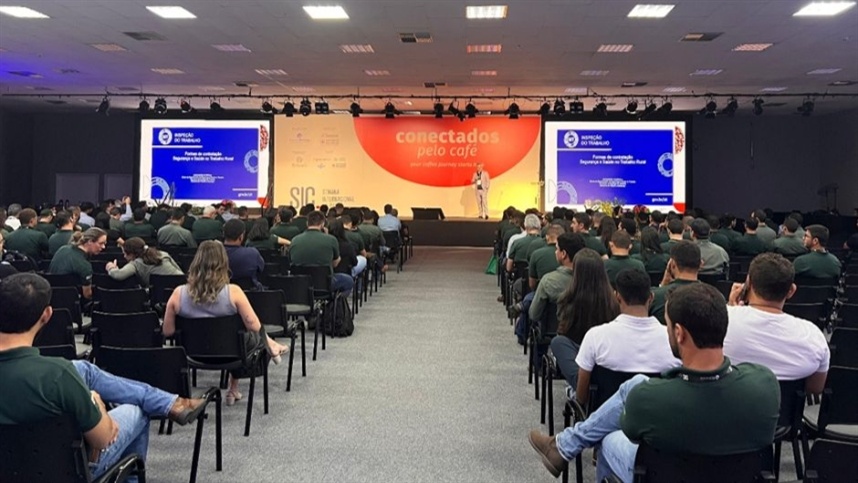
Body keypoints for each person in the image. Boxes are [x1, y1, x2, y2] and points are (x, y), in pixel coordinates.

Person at [528, 283, 780, 481]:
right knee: (635, 384)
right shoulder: (765, 384)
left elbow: (631, 429)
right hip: (737, 475)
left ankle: (564, 446)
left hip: (667, 475)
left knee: (608, 435)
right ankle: (562, 446)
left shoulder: (650, 399)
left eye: (668, 325)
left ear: (679, 333)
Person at [0, 273, 206, 483]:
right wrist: (96, 404)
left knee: (84, 369)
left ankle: (169, 402)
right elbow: (103, 438)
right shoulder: (58, 375)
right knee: (136, 410)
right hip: (64, 472)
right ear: (46, 315)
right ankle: (166, 404)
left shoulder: (60, 373)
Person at [162, 241, 288, 405]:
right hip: (232, 354)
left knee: (238, 337)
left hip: (192, 355)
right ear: (223, 263)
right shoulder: (234, 292)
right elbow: (254, 325)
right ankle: (235, 386)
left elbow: (168, 331)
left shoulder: (178, 293)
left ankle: (268, 348)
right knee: (247, 337)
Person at [725, 253, 829, 394]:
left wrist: (730, 310)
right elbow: (815, 389)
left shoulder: (721, 322)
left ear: (748, 284)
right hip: (784, 414)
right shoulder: (813, 336)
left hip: (727, 412)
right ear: (791, 291)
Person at [573, 269, 680, 404]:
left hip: (608, 423)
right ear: (651, 298)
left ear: (617, 297)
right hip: (659, 420)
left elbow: (581, 397)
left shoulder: (596, 336)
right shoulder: (675, 342)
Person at [548, 248, 619, 387]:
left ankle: (579, 385)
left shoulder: (566, 300)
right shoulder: (614, 302)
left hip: (578, 356)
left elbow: (562, 329)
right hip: (605, 357)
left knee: (558, 342)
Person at [290, 210, 353, 295]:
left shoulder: (295, 240)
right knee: (348, 280)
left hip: (300, 285)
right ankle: (334, 306)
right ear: (323, 224)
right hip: (324, 284)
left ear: (307, 223)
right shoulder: (331, 240)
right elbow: (335, 263)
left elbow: (291, 261)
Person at [650, 241, 702, 324]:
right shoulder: (714, 297)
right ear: (701, 264)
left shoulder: (655, 297)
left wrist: (662, 285)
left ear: (672, 265)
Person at [49, 228, 106, 300]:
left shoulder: (62, 249)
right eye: (101, 243)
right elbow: (87, 295)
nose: (103, 247)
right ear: (90, 241)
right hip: (71, 301)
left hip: (52, 297)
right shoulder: (85, 266)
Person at [105, 237, 183, 287]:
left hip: (159, 296)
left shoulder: (136, 264)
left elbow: (118, 275)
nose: (124, 256)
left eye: (125, 253)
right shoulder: (163, 254)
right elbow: (180, 272)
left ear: (132, 254)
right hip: (181, 289)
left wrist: (111, 267)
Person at [222, 219, 265, 290]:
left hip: (222, 296)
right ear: (241, 236)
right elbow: (261, 269)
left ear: (223, 234)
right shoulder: (252, 253)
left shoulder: (214, 254)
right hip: (250, 297)